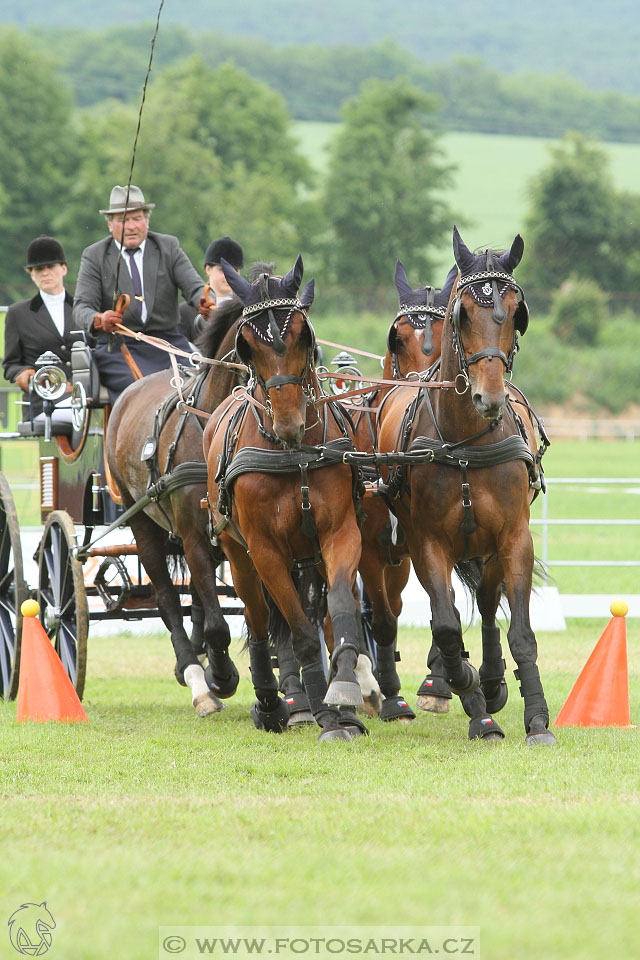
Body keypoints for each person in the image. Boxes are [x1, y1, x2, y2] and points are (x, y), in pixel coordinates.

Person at [72, 184, 205, 403]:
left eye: (136, 219)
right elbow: (81, 307)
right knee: (143, 393)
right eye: (123, 220)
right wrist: (99, 319)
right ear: (110, 224)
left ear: (147, 221)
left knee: (201, 386)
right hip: (118, 346)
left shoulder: (168, 247)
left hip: (168, 343)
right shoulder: (94, 256)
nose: (131, 226)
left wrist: (205, 301)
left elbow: (195, 288)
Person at [3, 236, 76, 424]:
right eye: (38, 269)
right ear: (31, 274)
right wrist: (24, 374)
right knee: (80, 416)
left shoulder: (82, 309)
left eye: (50, 267)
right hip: (44, 401)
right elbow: (11, 364)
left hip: (82, 395)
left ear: (63, 269)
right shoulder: (18, 313)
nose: (45, 273)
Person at [178, 236, 244, 344]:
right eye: (223, 270)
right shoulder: (184, 312)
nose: (229, 276)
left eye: (234, 270)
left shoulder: (245, 310)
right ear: (208, 269)